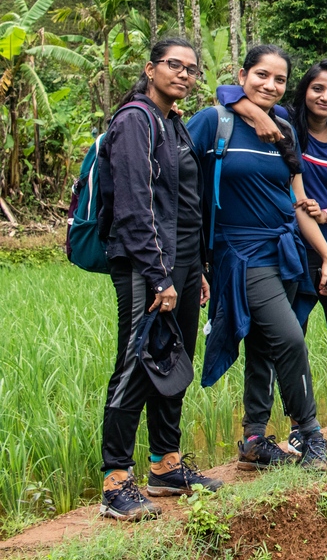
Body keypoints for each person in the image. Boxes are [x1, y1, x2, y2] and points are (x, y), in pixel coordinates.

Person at [217, 61, 327, 445]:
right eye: (317, 88)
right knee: (291, 333)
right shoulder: (282, 125)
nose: (325, 97)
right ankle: (297, 428)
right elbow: (226, 93)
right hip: (291, 244)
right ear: (303, 90)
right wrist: (247, 109)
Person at [187, 45, 327, 472]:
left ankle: (254, 438)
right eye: (261, 76)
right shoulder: (214, 122)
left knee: (265, 347)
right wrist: (194, 261)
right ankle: (310, 435)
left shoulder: (284, 126)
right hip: (241, 254)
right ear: (242, 75)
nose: (270, 86)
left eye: (279, 79)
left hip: (285, 248)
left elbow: (297, 201)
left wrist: (324, 255)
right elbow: (180, 187)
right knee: (290, 339)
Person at [97, 39, 222, 521]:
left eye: (192, 69)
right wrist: (158, 276)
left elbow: (186, 204)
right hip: (147, 266)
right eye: (175, 66)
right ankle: (115, 481)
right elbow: (132, 206)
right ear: (150, 69)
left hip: (185, 265)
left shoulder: (175, 124)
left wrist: (198, 270)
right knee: (136, 363)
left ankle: (165, 465)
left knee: (173, 362)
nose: (185, 75)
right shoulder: (135, 120)